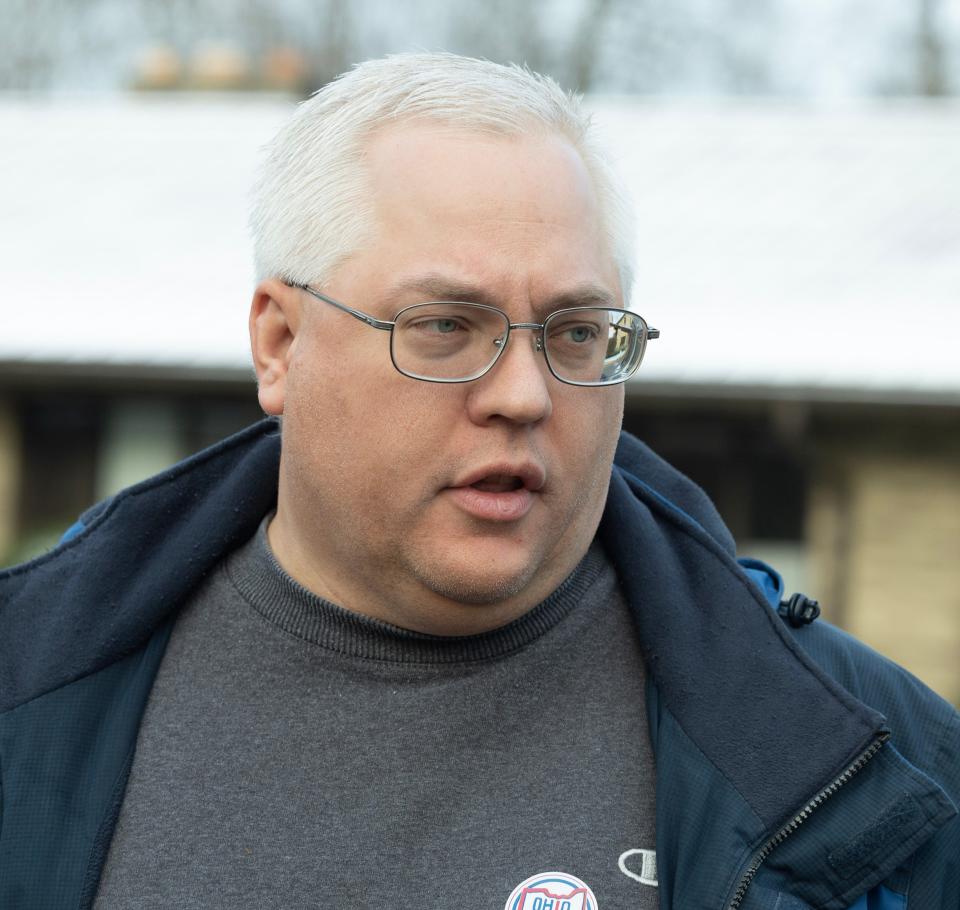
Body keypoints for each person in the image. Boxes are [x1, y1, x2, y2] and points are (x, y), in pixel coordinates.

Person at [0, 53, 957, 910]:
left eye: (576, 333)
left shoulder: (883, 776)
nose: (524, 396)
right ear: (281, 343)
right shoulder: (32, 693)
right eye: (446, 326)